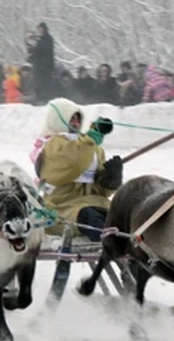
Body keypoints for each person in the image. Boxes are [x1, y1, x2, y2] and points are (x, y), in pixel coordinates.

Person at [30, 97, 123, 246]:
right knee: (91, 219)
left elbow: (99, 189)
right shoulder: (51, 146)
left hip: (94, 203)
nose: (75, 123)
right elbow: (74, 162)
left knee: (122, 218)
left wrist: (110, 179)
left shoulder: (92, 147)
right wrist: (92, 136)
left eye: (78, 119)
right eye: (70, 119)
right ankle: (109, 247)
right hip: (60, 208)